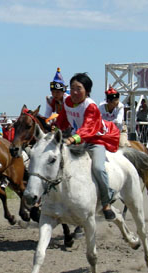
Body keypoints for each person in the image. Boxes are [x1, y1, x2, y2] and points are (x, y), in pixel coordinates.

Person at [56, 73, 120, 221]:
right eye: (72, 88)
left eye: (79, 88)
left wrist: (72, 138)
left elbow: (88, 128)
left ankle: (106, 202)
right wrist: (54, 131)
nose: (74, 92)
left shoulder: (90, 106)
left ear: (87, 91)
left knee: (98, 168)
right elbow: (62, 121)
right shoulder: (67, 102)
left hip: (95, 139)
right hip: (75, 139)